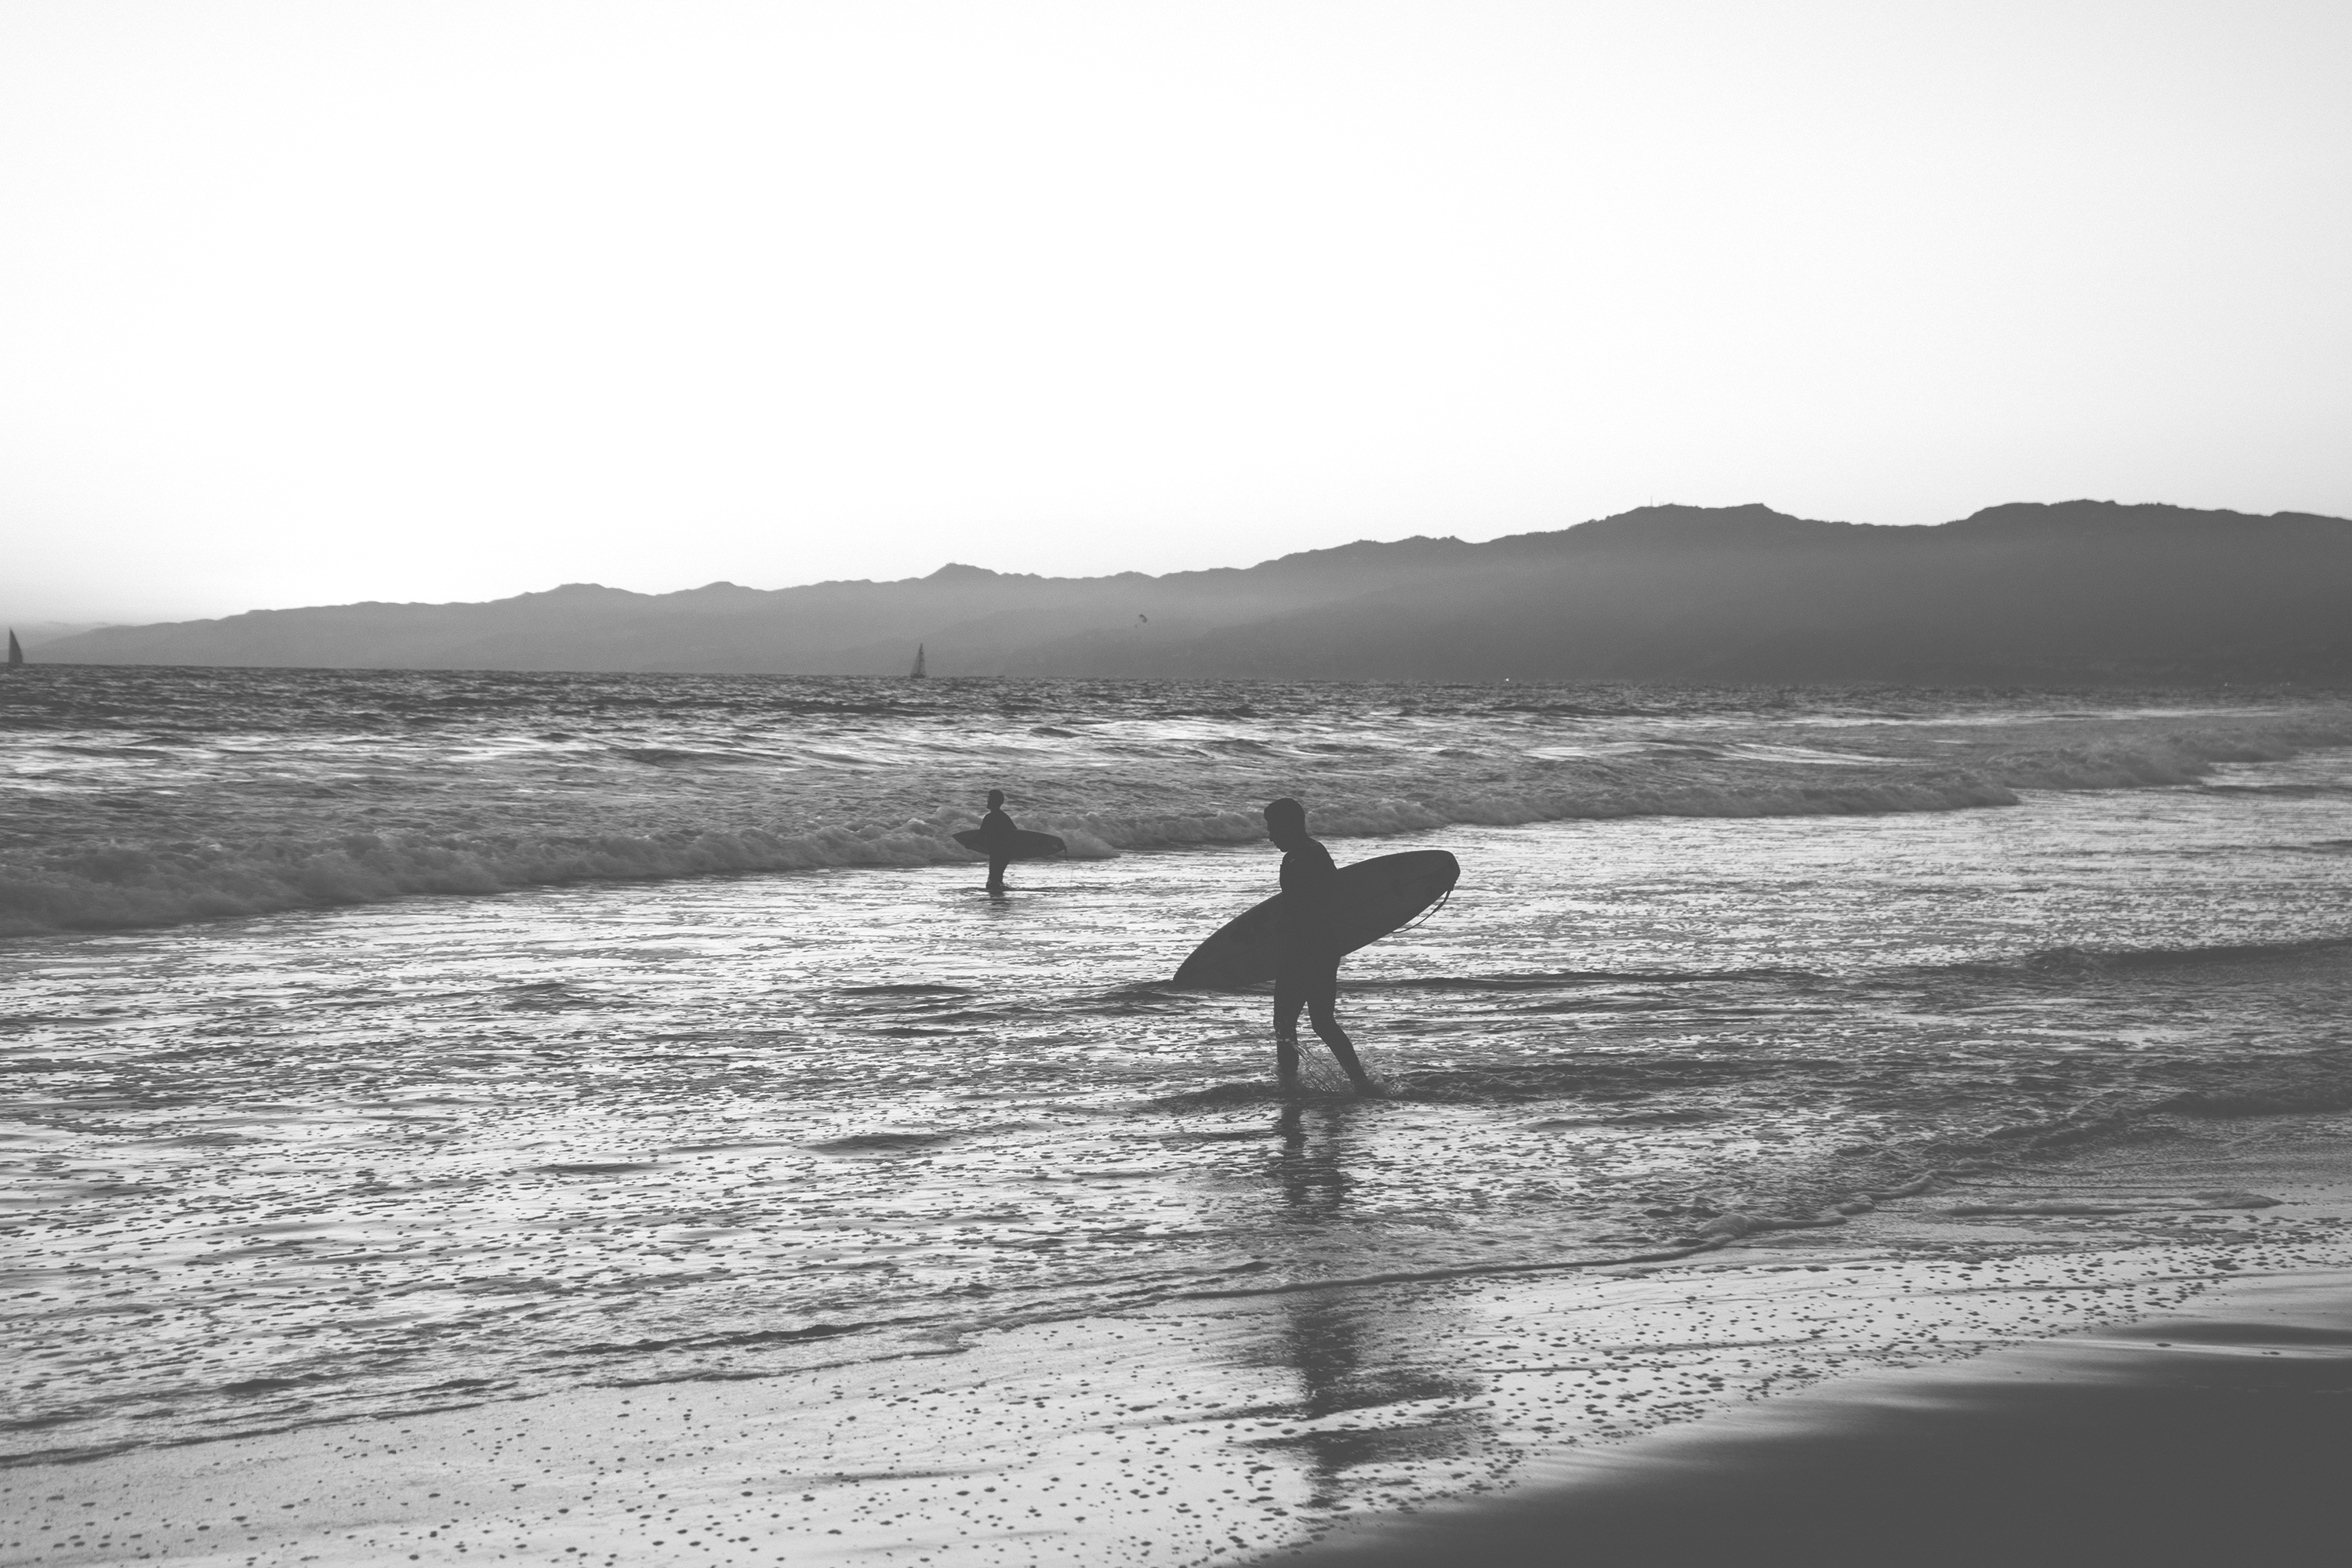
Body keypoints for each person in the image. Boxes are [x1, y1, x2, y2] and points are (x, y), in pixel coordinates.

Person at [1263, 797, 1377, 1096]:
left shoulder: (1303, 857)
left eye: (1273, 828)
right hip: (1323, 946)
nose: (1270, 835)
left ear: (1289, 825)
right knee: (1321, 1022)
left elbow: (1311, 906)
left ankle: (1289, 1088)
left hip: (1306, 949)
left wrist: (1285, 927)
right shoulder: (1310, 853)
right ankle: (1360, 1082)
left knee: (1286, 1024)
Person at [979, 789, 1017, 894]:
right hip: (1005, 852)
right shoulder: (1004, 817)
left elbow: (980, 835)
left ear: (994, 802)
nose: (987, 801)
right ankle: (999, 898)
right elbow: (1016, 833)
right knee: (997, 878)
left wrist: (968, 843)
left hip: (996, 851)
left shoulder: (989, 817)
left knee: (992, 879)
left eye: (989, 799)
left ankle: (997, 901)